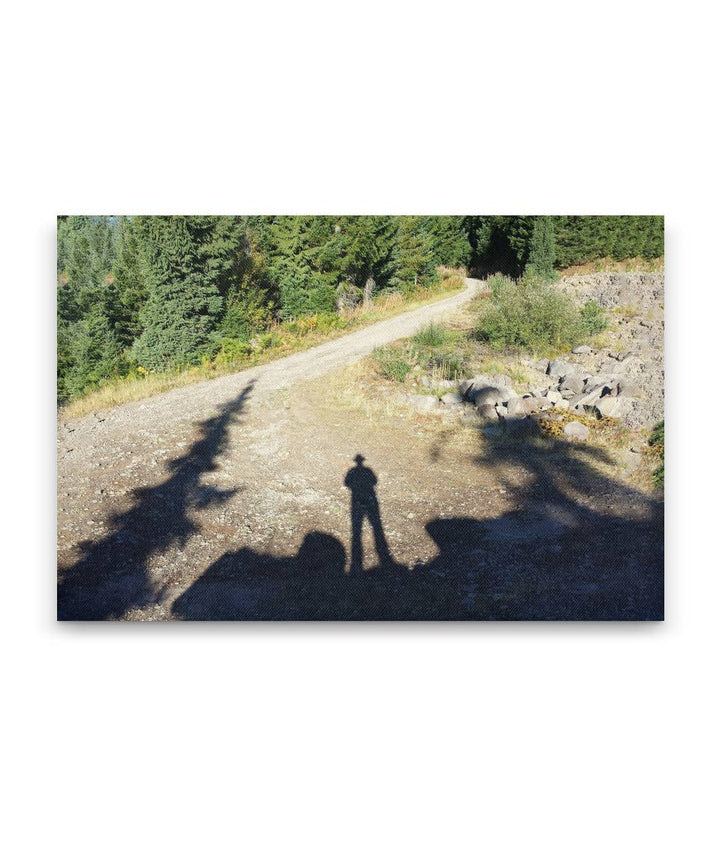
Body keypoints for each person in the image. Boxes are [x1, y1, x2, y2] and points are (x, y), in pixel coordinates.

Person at [344, 454, 394, 573]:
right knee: (376, 527)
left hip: (356, 499)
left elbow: (346, 483)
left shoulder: (352, 471)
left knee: (357, 530)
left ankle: (356, 563)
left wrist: (355, 486)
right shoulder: (368, 470)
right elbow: (374, 482)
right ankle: (384, 558)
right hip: (369, 497)